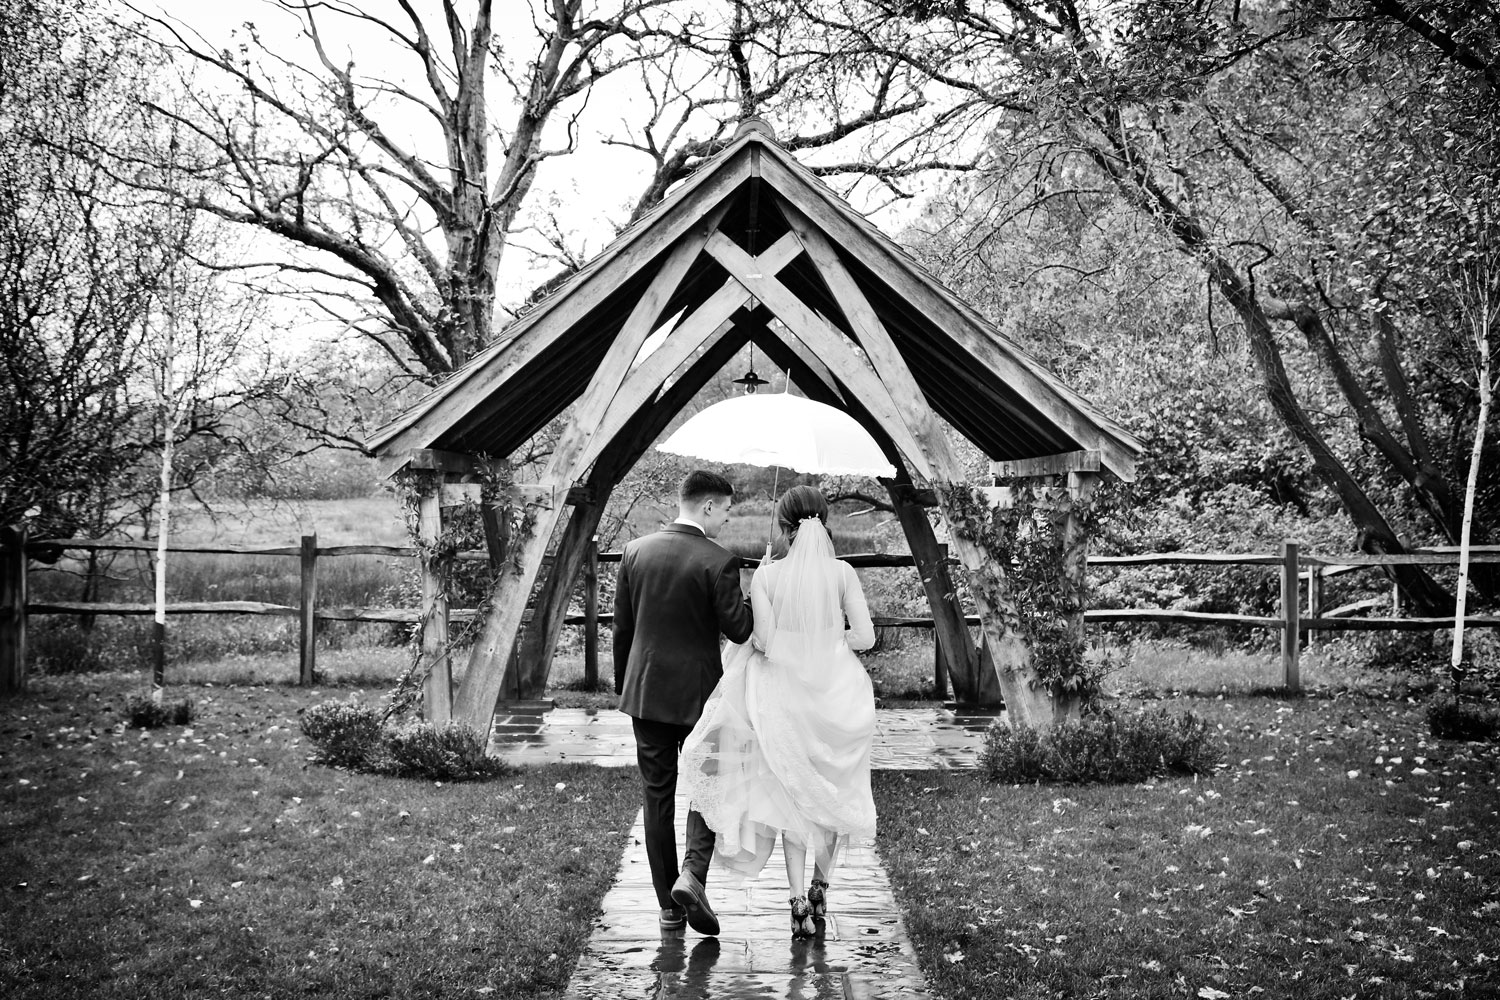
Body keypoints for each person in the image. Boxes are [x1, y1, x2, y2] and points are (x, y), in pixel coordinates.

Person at [680, 485, 877, 938]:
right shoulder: (844, 572)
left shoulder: (768, 577)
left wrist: (764, 583)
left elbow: (763, 641)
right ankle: (821, 885)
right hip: (838, 692)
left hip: (784, 696)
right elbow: (865, 637)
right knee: (832, 790)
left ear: (785, 529)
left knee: (793, 794)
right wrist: (829, 642)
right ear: (823, 523)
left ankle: (795, 901)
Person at [614, 469, 754, 936]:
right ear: (708, 506)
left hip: (646, 695)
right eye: (728, 510)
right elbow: (739, 629)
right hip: (699, 700)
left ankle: (668, 909)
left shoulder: (636, 551)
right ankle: (692, 875)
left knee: (657, 800)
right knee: (707, 787)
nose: (727, 521)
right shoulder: (719, 561)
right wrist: (756, 590)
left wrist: (627, 687)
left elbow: (623, 631)